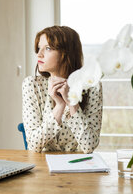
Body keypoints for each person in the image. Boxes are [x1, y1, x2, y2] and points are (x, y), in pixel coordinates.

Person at [22, 25, 103, 153]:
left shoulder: (92, 87)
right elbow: (33, 144)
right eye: (38, 48)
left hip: (79, 168)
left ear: (66, 54)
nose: (39, 54)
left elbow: (89, 146)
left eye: (47, 48)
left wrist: (72, 104)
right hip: (43, 167)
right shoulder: (31, 85)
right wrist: (59, 106)